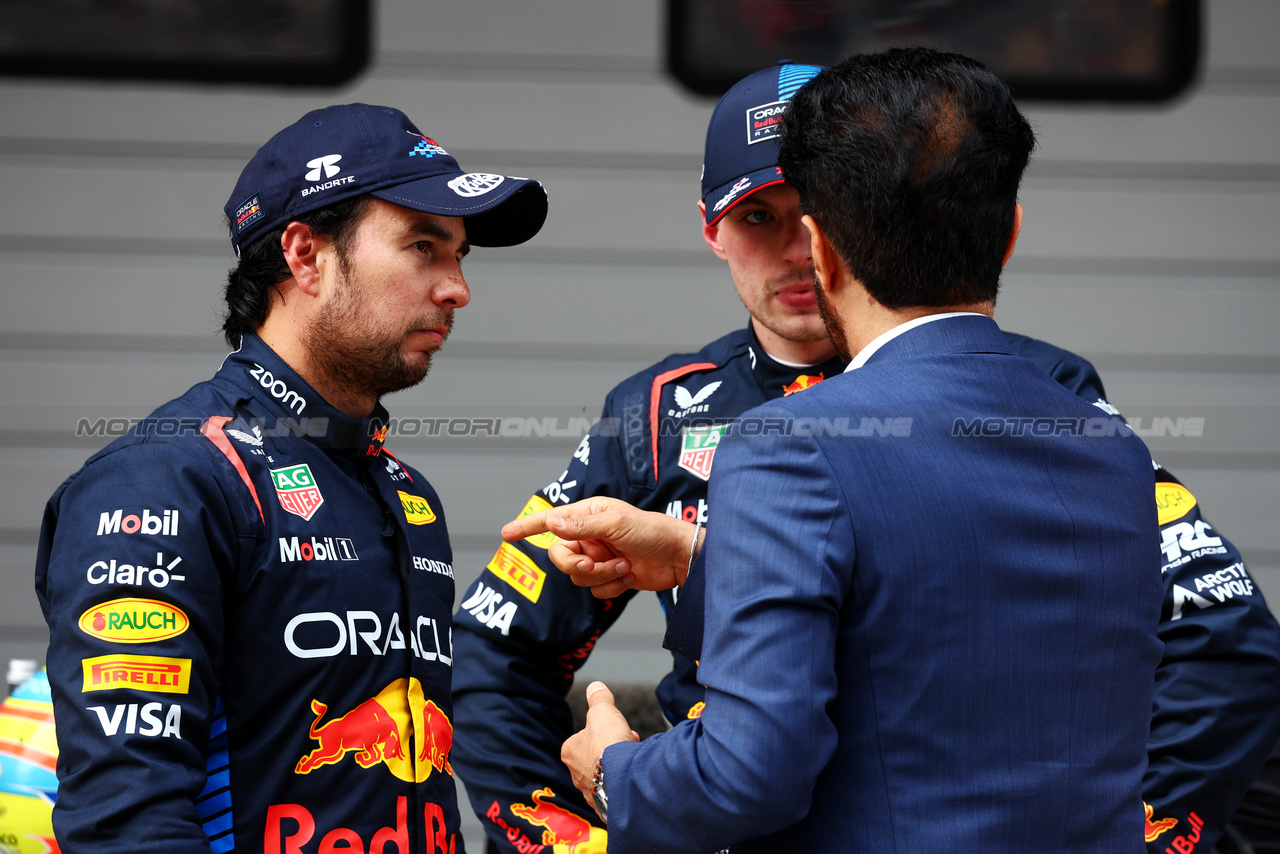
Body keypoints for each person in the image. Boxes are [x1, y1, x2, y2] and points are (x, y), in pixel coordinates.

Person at [451, 61, 1280, 854]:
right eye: (755, 217)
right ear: (711, 230)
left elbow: (1225, 641)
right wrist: (576, 842)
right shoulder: (662, 411)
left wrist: (1136, 834)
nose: (793, 250)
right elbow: (495, 652)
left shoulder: (1042, 389)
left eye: (808, 211)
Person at [33, 103, 548, 853]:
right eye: (422, 246)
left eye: (460, 254)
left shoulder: (405, 490)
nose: (456, 289)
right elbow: (125, 820)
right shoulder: (164, 482)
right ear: (305, 255)